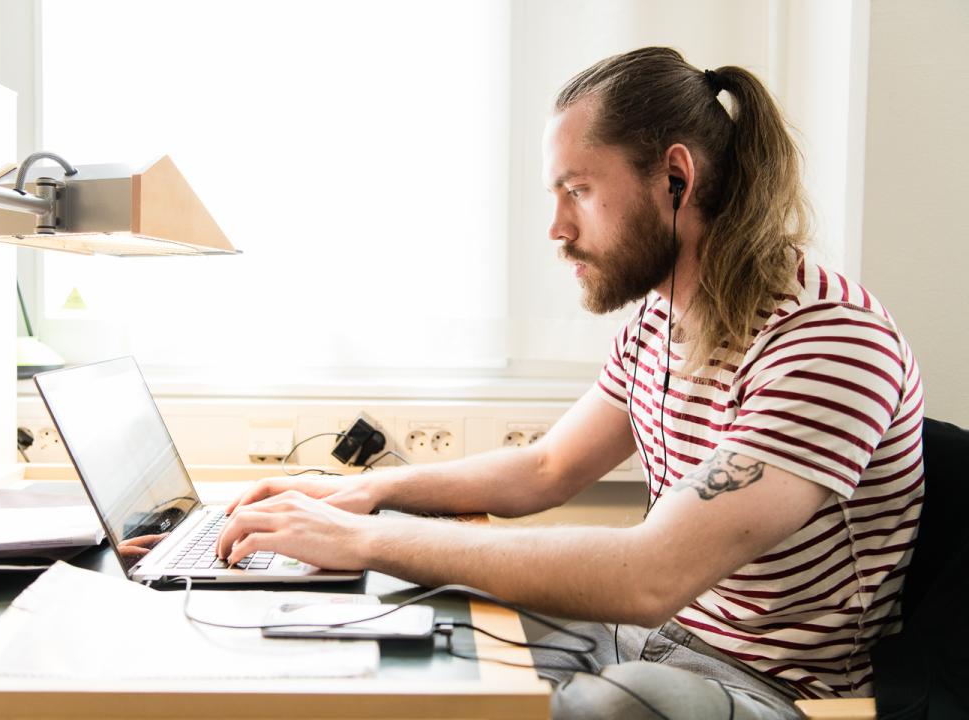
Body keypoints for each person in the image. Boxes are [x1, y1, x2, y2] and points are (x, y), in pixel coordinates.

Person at [217, 47, 923, 720]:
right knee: (400, 617)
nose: (556, 228)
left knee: (610, 705)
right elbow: (545, 468)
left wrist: (362, 539)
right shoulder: (659, 319)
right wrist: (369, 494)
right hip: (648, 641)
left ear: (676, 178)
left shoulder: (831, 344)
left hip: (775, 689)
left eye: (578, 191)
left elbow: (648, 576)